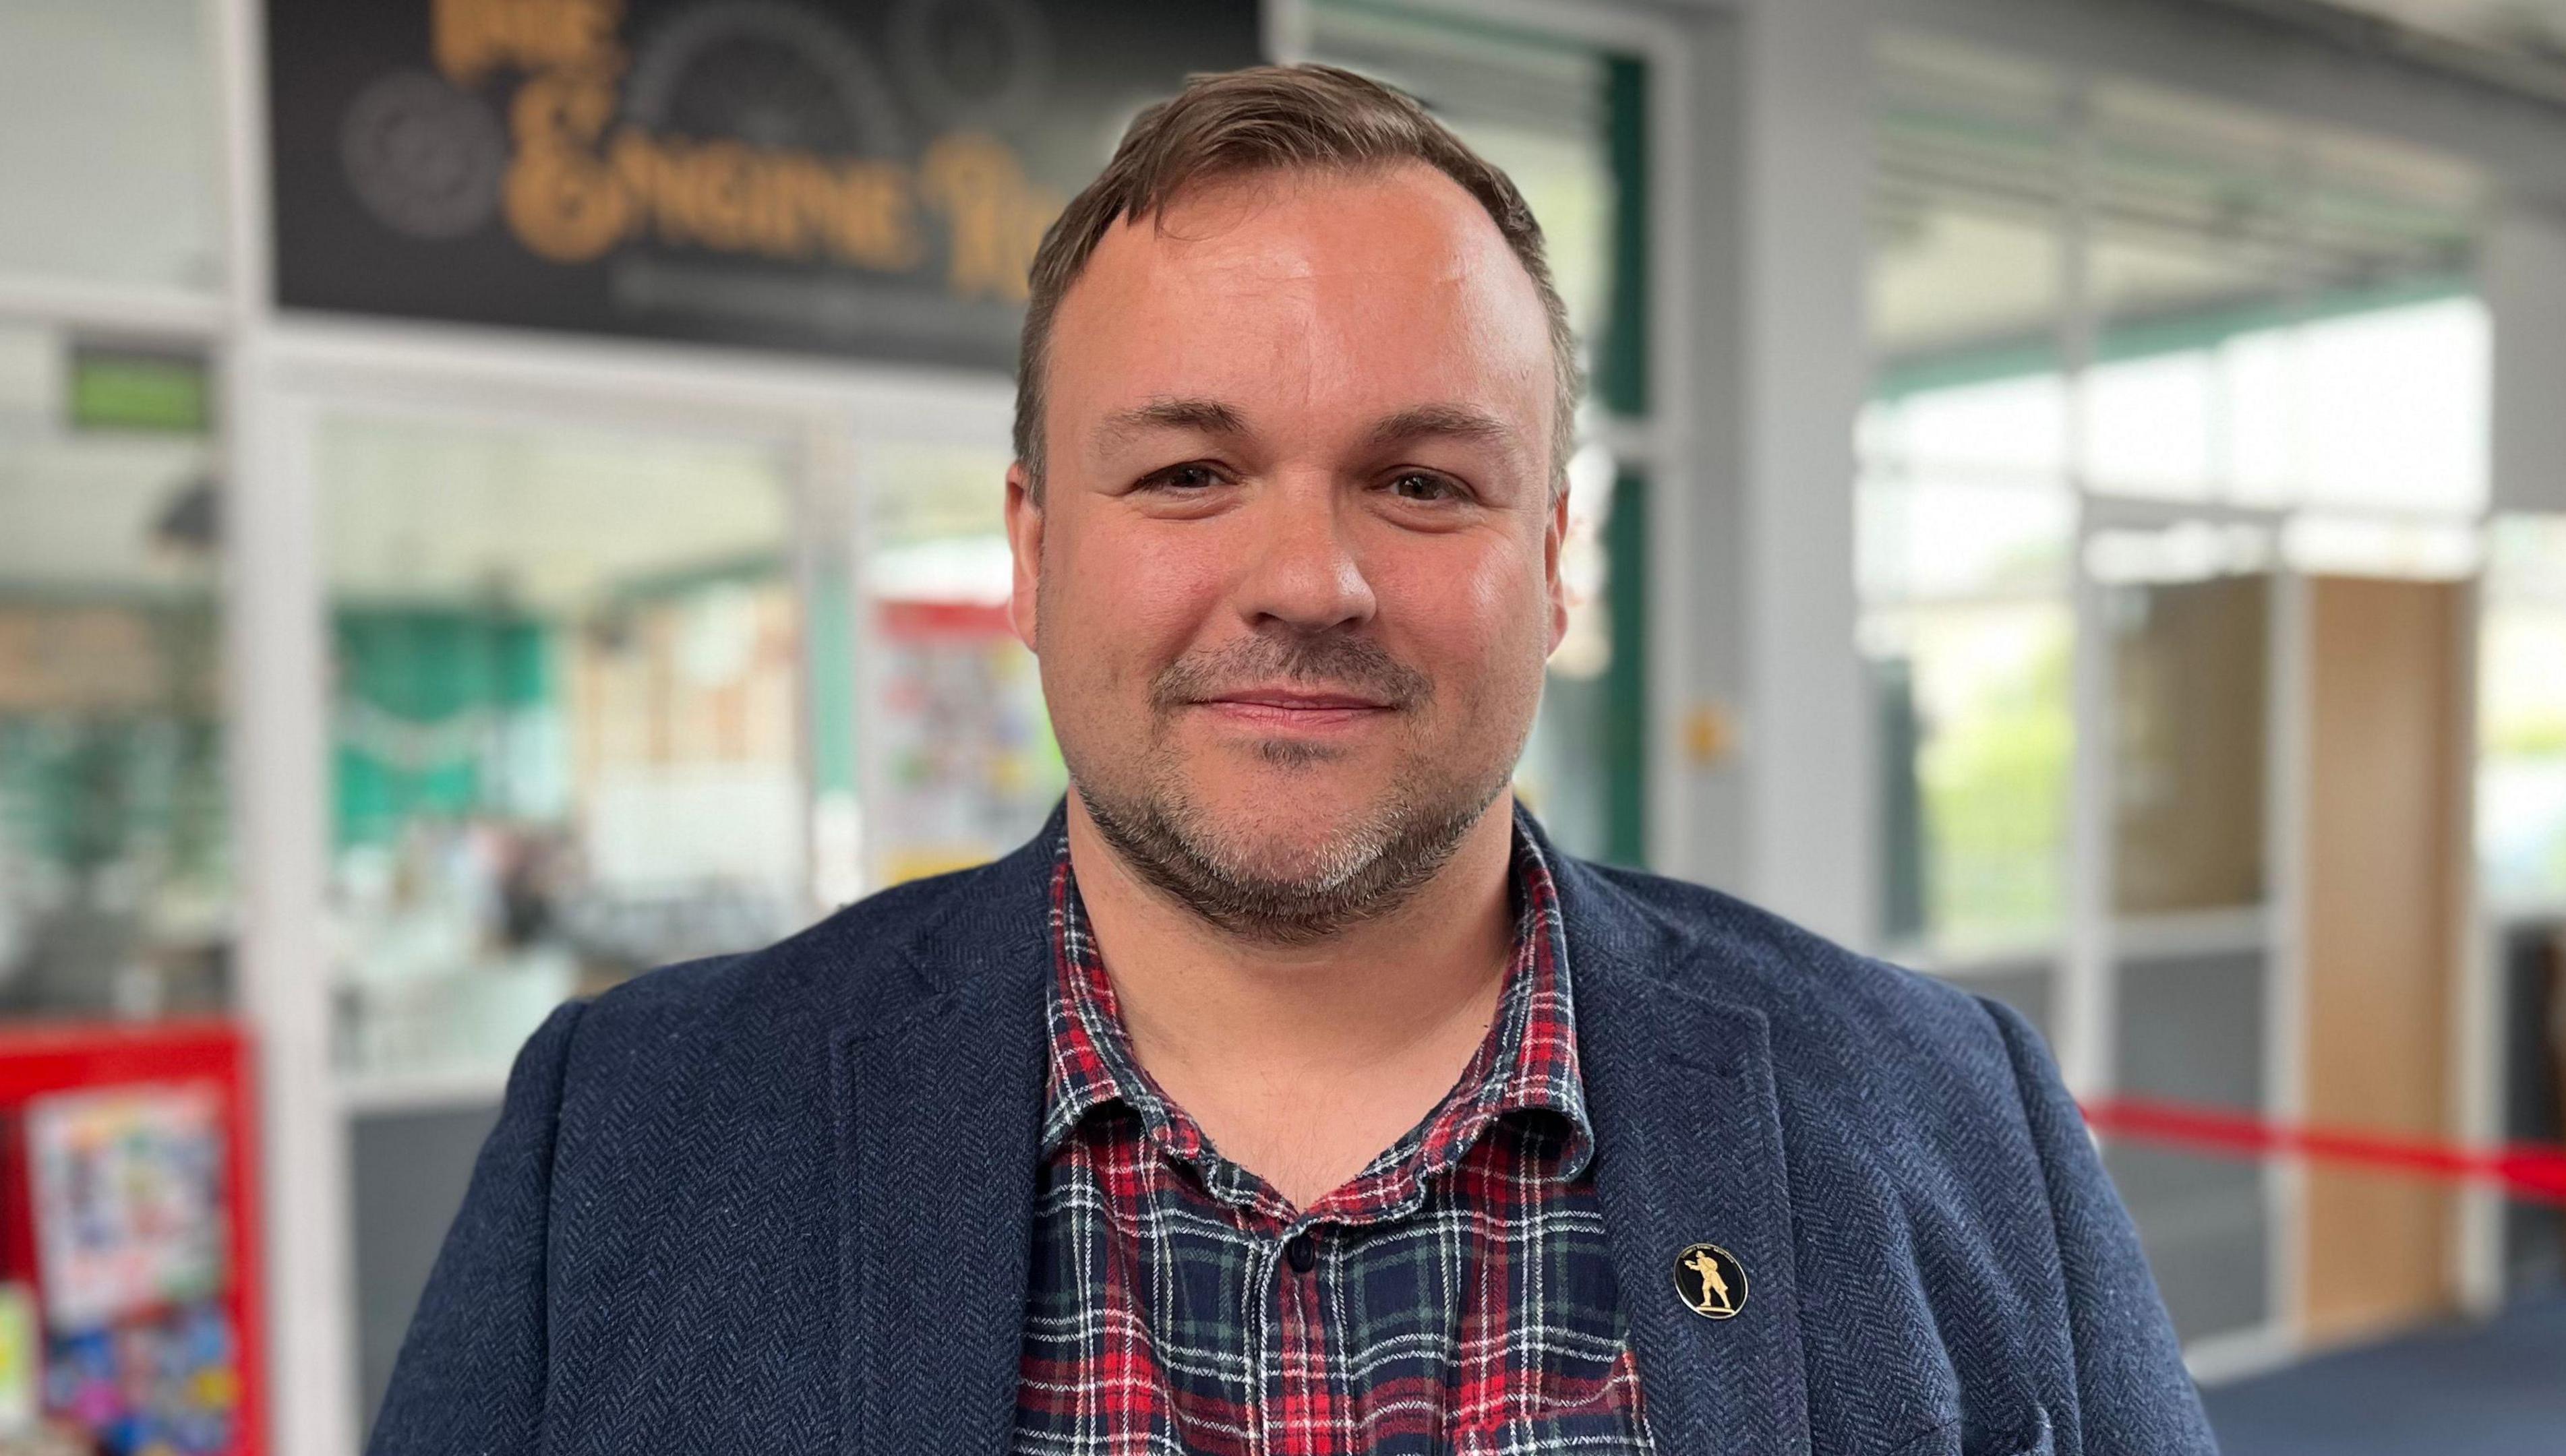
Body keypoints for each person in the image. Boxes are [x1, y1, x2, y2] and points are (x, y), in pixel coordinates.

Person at [369, 64, 2217, 1456]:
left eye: (1422, 482)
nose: (1309, 582)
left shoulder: (1944, 1114)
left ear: (1552, 561)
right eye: (1187, 473)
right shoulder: (631, 1134)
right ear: (1031, 551)